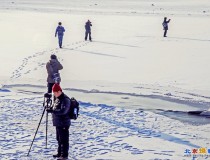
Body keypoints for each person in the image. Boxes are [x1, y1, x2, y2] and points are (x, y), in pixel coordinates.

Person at [47, 84, 71, 160]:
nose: (55, 94)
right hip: (58, 123)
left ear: (60, 91)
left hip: (64, 123)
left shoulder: (65, 99)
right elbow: (55, 107)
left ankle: (64, 156)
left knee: (64, 140)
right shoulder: (57, 98)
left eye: (57, 92)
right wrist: (50, 108)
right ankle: (59, 153)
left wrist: (53, 111)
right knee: (59, 139)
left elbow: (63, 111)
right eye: (54, 92)